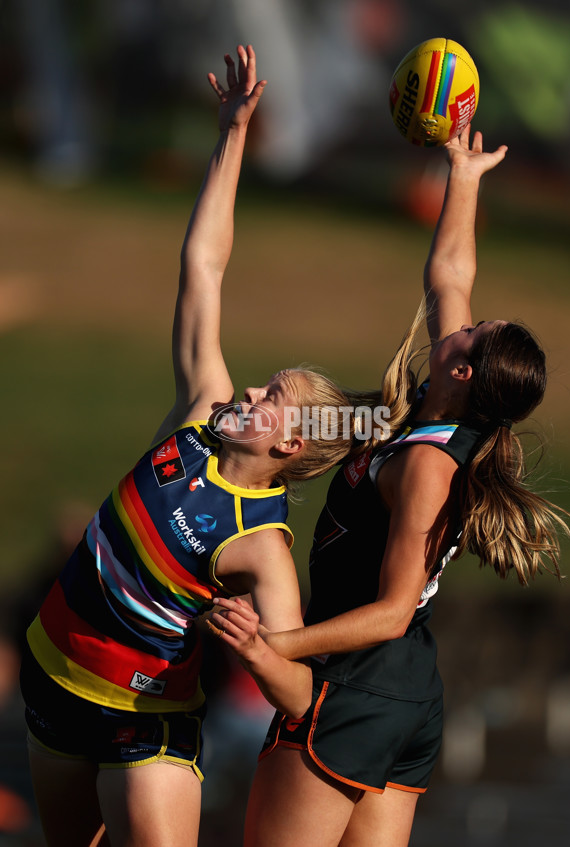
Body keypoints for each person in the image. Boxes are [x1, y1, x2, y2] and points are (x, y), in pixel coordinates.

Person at [18, 45, 361, 847]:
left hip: (145, 722)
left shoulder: (262, 547)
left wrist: (258, 650)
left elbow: (298, 694)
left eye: (270, 399)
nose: (247, 393)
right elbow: (203, 267)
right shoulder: (200, 418)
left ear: (290, 448)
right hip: (51, 675)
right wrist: (233, 132)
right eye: (262, 385)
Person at [210, 125, 570, 847]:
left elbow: (391, 610)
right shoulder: (432, 412)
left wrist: (280, 644)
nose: (465, 319)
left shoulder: (425, 467)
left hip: (360, 684)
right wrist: (464, 177)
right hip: (407, 696)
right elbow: (450, 275)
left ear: (463, 370)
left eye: (474, 333)